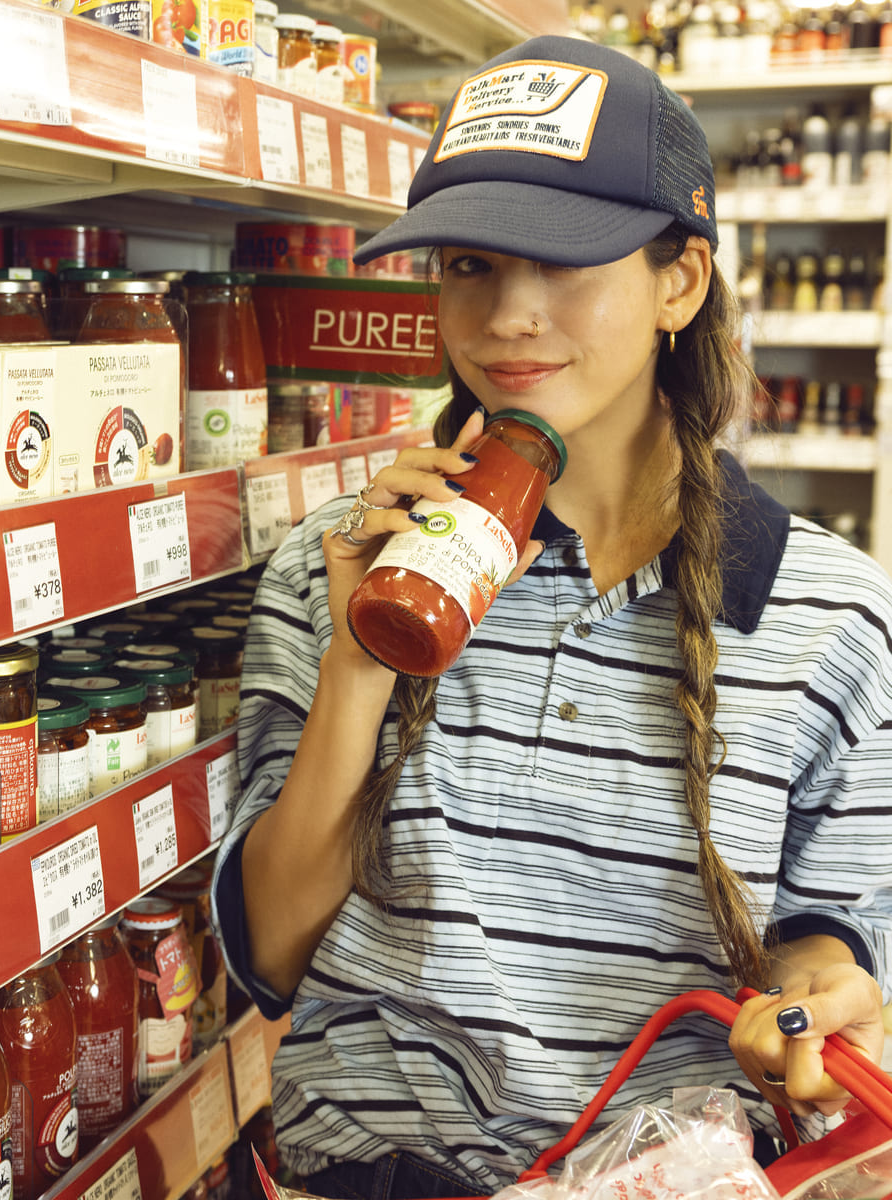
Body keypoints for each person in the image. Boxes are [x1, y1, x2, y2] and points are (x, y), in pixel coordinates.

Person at [211, 34, 891, 1200]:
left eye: (566, 261)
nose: (509, 317)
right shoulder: (337, 563)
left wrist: (815, 997)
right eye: (470, 265)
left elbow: (830, 938)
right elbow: (274, 956)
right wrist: (362, 659)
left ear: (678, 280)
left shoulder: (831, 618)